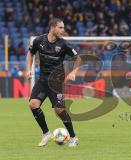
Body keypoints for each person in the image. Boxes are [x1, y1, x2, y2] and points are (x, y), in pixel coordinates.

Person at [26, 18, 79, 147]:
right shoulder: (39, 41)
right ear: (53, 27)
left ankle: (73, 137)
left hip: (56, 81)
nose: (63, 30)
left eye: (63, 27)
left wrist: (73, 72)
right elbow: (30, 54)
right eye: (60, 27)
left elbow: (77, 59)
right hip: (43, 80)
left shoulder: (64, 44)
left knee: (59, 109)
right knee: (33, 104)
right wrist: (28, 69)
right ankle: (46, 133)